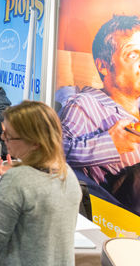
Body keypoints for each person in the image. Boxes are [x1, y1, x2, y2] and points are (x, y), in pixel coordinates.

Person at [0, 101, 82, 266]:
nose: (3, 138)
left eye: (9, 136)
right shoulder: (68, 174)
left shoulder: (17, 179)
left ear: (34, 142)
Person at [59, 15, 140, 215]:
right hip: (121, 221)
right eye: (133, 55)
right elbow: (54, 152)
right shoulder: (84, 105)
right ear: (103, 66)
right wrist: (109, 144)